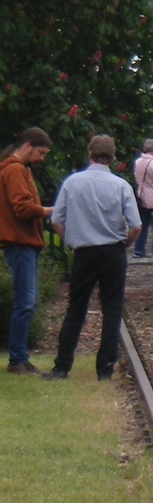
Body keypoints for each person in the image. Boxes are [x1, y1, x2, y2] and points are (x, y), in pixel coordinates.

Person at [43, 135, 141, 381]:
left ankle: (62, 366)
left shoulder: (72, 182)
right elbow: (136, 226)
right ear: (113, 157)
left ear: (90, 154)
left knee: (76, 308)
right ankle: (104, 369)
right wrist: (125, 244)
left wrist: (71, 242)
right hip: (113, 251)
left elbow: (56, 220)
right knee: (112, 310)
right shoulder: (121, 186)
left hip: (84, 252)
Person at [1, 127, 53, 375]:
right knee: (25, 302)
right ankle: (17, 359)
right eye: (40, 152)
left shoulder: (20, 170)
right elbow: (21, 208)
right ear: (28, 145)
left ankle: (20, 357)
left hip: (23, 243)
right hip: (20, 242)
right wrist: (46, 211)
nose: (41, 158)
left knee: (26, 302)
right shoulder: (14, 170)